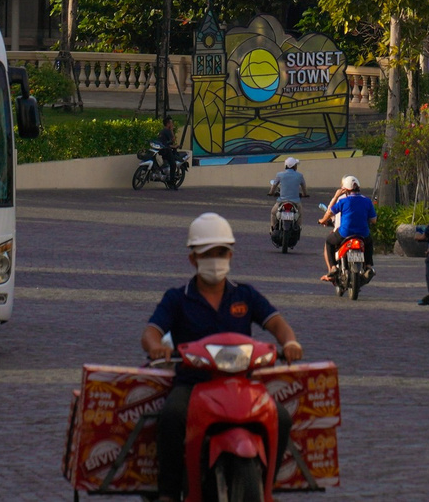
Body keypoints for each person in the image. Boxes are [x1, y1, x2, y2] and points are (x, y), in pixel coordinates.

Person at [142, 213, 303, 501]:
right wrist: (157, 347)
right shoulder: (177, 298)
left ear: (230, 256)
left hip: (243, 385)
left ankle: (269, 484)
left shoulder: (245, 295)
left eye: (220, 253)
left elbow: (276, 323)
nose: (215, 260)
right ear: (193, 259)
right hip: (192, 385)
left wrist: (289, 341)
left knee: (281, 418)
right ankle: (168, 493)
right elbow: (151, 332)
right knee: (170, 417)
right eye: (207, 254)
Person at [320, 175, 375, 278]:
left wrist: (322, 220)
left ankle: (333, 267)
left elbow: (330, 213)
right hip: (363, 233)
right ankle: (368, 266)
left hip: (345, 233)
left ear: (345, 189)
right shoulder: (367, 201)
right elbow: (374, 220)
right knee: (369, 242)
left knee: (329, 242)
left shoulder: (343, 201)